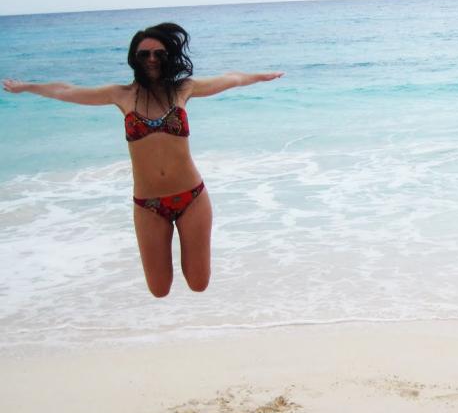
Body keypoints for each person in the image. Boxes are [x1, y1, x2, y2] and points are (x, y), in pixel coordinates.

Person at [3, 23, 283, 297]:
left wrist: (260, 76)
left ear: (168, 56)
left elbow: (231, 78)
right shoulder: (121, 95)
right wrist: (26, 87)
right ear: (134, 58)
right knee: (159, 289)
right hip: (149, 205)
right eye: (144, 54)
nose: (151, 59)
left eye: (159, 53)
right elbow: (66, 90)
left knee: (199, 283)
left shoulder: (182, 89)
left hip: (192, 197)